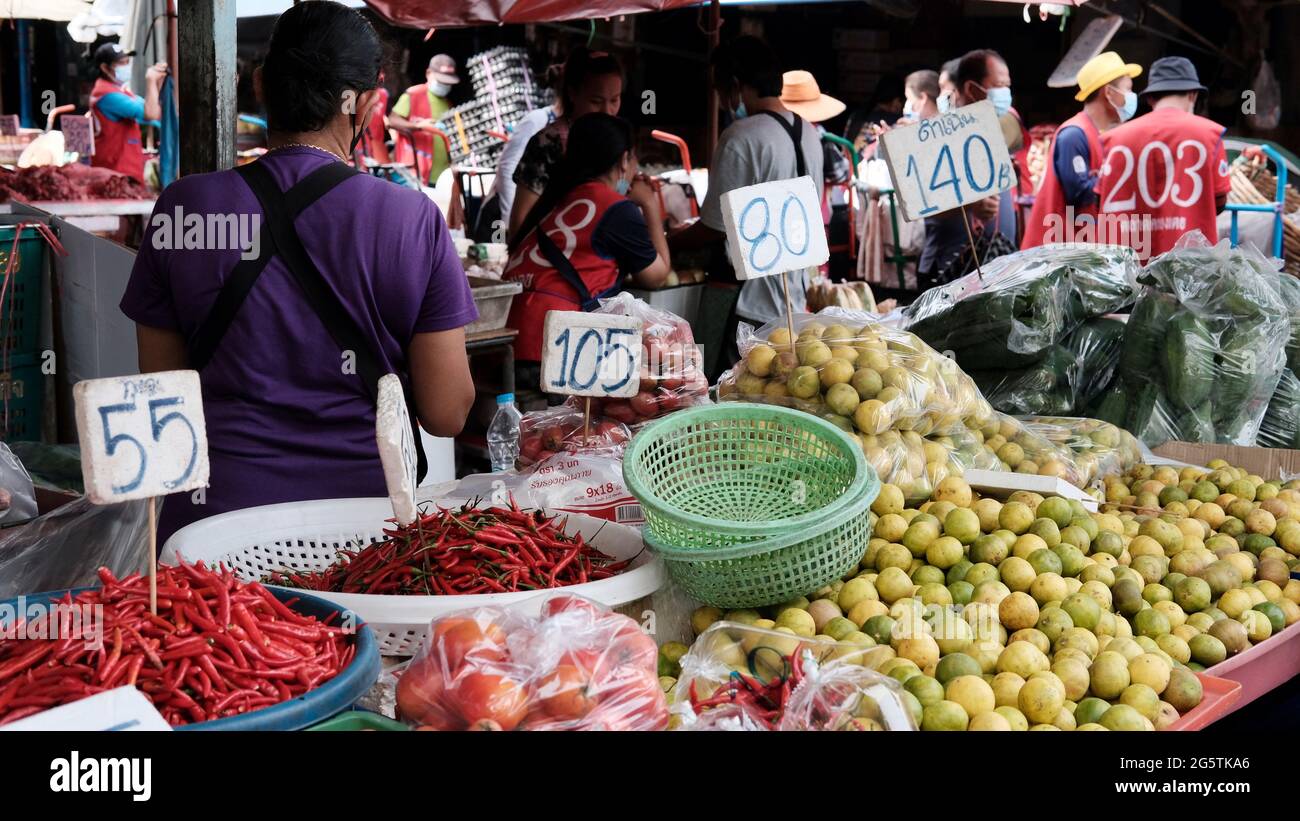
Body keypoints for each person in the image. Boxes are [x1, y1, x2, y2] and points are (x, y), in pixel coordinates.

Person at [119, 1, 477, 543]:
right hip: (362, 537)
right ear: (367, 104)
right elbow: (448, 413)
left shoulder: (185, 208)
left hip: (209, 530)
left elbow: (163, 393)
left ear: (261, 85)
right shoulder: (411, 218)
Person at [670, 36, 824, 375]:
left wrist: (669, 240)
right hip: (791, 300)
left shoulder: (741, 136)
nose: (724, 101)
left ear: (736, 86)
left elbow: (715, 226)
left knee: (728, 392)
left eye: (721, 90)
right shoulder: (809, 132)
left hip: (747, 304)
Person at [503, 113, 670, 388]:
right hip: (551, 350)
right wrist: (650, 204)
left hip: (509, 345)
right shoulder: (617, 208)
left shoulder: (555, 199)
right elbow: (657, 275)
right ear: (624, 160)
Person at [1095, 56, 1231, 260]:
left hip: (1126, 270)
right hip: (1189, 271)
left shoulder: (1114, 140)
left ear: (1150, 99)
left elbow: (1099, 200)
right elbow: (1219, 202)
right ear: (1193, 95)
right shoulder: (1209, 135)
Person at [1021, 51, 1142, 249]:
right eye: (1128, 90)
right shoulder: (1073, 135)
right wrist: (1117, 175)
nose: (1131, 97)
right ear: (1109, 93)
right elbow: (1079, 194)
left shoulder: (1099, 135)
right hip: (1055, 253)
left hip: (1079, 248)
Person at [508, 49, 624, 238]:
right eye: (596, 101)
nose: (607, 111)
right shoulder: (547, 144)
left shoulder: (617, 141)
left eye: (614, 100)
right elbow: (520, 222)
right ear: (572, 93)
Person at [473, 63, 566, 242]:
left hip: (530, 217)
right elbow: (507, 168)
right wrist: (510, 219)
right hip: (501, 215)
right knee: (495, 258)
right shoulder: (537, 121)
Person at [88, 42, 168, 184]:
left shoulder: (122, 91)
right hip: (115, 172)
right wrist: (150, 81)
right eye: (121, 63)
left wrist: (158, 83)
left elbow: (154, 114)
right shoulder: (106, 95)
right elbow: (150, 113)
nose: (126, 66)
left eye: (127, 62)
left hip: (127, 167)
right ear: (105, 68)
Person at [390, 54, 461, 185]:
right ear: (429, 73)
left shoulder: (448, 104)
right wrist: (419, 126)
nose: (445, 85)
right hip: (415, 174)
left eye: (447, 82)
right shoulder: (413, 95)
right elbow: (392, 121)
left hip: (442, 177)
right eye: (441, 81)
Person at [355, 70, 391, 166]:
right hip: (357, 142)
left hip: (376, 144)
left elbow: (387, 116)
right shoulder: (356, 94)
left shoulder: (384, 95)